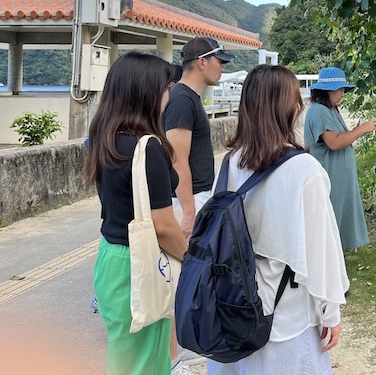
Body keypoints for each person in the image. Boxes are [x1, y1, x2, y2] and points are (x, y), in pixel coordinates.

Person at [207, 65, 349, 375]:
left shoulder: (231, 161)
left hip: (233, 305)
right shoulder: (304, 170)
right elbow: (321, 250)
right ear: (290, 108)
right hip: (284, 314)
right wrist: (331, 313)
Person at [84, 52, 188, 374]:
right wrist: (194, 260)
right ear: (146, 92)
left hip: (110, 258)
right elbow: (163, 226)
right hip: (139, 264)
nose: (168, 95)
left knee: (126, 358)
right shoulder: (148, 147)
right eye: (166, 86)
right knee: (146, 363)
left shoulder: (104, 138)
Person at [164, 36, 234, 238]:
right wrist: (188, 212)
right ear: (202, 62)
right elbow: (177, 160)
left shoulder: (188, 97)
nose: (222, 69)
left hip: (195, 196)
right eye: (220, 62)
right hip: (190, 199)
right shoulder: (182, 100)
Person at [304, 67, 376, 250]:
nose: (342, 94)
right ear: (326, 90)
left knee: (338, 212)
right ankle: (326, 254)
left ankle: (334, 251)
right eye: (339, 89)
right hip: (329, 175)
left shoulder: (330, 110)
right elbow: (334, 142)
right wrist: (361, 130)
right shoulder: (319, 111)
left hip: (338, 176)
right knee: (330, 213)